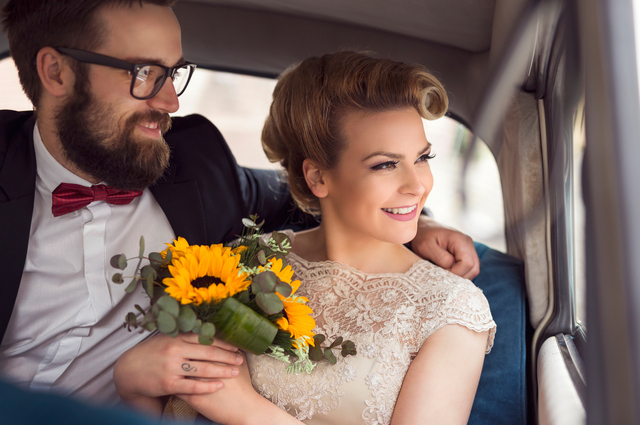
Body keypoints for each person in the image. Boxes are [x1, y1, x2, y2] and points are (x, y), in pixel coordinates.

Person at [0, 0, 480, 414]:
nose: (169, 101)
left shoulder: (195, 160)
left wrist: (415, 226)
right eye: (144, 73)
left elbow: (303, 192)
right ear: (56, 72)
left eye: (174, 73)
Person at [167, 51, 497, 425]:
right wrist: (131, 380)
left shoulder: (451, 307)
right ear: (318, 178)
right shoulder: (245, 262)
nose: (418, 185)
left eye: (423, 157)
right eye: (386, 164)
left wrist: (247, 411)